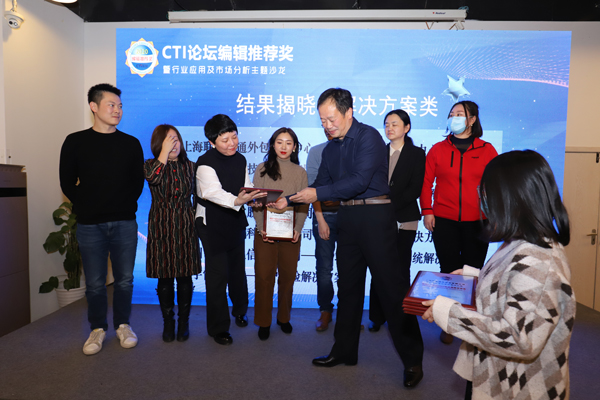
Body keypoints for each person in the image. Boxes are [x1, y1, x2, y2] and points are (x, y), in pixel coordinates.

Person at [273, 88, 425, 388]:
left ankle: (412, 360)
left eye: (331, 119)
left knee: (391, 289)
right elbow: (320, 185)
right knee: (348, 288)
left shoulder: (369, 137)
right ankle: (344, 351)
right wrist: (287, 200)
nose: (327, 125)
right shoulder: (330, 150)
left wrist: (317, 193)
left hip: (376, 216)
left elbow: (358, 181)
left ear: (349, 113)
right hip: (348, 219)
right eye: (322, 121)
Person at [422, 150, 575, 400]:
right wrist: (472, 278)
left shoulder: (539, 261)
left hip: (520, 388)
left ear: (512, 198)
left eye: (486, 193)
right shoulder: (523, 242)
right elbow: (512, 282)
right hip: (498, 374)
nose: (482, 200)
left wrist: (449, 313)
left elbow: (519, 339)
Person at [59, 83, 144, 355]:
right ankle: (97, 328)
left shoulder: (131, 143)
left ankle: (123, 325)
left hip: (124, 222)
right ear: (94, 107)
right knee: (95, 283)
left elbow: (137, 183)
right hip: (89, 224)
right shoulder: (75, 141)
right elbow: (67, 182)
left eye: (120, 106)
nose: (117, 110)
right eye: (111, 105)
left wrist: (122, 205)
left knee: (124, 280)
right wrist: (87, 205)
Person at [420, 100, 497, 344]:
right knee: (449, 271)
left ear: (472, 119)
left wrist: (494, 214)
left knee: (472, 272)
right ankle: (448, 320)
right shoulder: (438, 149)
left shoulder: (487, 149)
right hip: (444, 220)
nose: (455, 117)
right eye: (452, 114)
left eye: (460, 114)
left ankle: (470, 320)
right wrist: (427, 211)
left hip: (478, 221)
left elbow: (495, 185)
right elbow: (426, 183)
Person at [194, 114, 265, 346]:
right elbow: (212, 193)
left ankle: (240, 310)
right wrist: (238, 200)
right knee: (218, 275)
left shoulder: (240, 158)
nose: (232, 143)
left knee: (237, 270)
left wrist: (254, 197)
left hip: (234, 220)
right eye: (225, 140)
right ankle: (218, 327)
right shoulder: (204, 163)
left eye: (234, 137)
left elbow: (245, 186)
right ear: (212, 142)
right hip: (211, 224)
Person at [368, 109, 425, 333]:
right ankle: (376, 315)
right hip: (378, 219)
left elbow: (415, 188)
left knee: (401, 268)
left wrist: (389, 207)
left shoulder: (417, 154)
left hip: (405, 219)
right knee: (378, 266)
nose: (389, 128)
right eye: (386, 124)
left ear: (406, 128)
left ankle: (402, 316)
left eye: (394, 124)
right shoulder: (377, 153)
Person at [144, 125, 201, 343]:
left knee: (185, 276)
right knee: (164, 277)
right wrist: (164, 154)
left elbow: (199, 197)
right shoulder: (151, 165)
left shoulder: (191, 167)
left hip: (185, 225)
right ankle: (168, 322)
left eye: (176, 139)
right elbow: (153, 179)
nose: (173, 143)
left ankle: (184, 322)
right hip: (161, 225)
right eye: (168, 140)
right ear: (159, 143)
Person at [251, 128, 309, 341]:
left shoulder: (300, 172)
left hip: (290, 234)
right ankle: (263, 321)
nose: (284, 147)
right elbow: (256, 202)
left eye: (288, 143)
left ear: (295, 147)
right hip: (265, 232)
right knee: (264, 277)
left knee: (288, 277)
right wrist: (261, 228)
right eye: (279, 142)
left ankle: (284, 318)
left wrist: (298, 229)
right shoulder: (262, 168)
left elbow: (304, 204)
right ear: (272, 145)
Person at [306, 130, 339, 332]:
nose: (329, 127)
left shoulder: (354, 150)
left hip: (350, 216)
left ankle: (347, 313)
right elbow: (312, 188)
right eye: (324, 123)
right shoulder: (316, 151)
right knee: (324, 267)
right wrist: (320, 219)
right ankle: (325, 310)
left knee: (349, 268)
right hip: (323, 216)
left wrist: (338, 200)